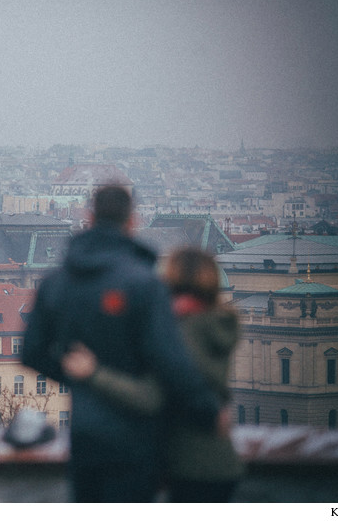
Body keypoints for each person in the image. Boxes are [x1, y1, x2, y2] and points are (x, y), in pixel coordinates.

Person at [22, 185, 222, 502]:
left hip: (85, 436)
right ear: (132, 222)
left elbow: (31, 352)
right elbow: (170, 359)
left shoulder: (56, 282)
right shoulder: (145, 282)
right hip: (138, 437)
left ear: (89, 218)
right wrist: (207, 409)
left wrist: (79, 378)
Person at [66, 247, 243, 502]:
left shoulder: (181, 331)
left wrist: (94, 373)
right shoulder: (217, 323)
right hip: (220, 461)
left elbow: (150, 398)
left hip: (190, 466)